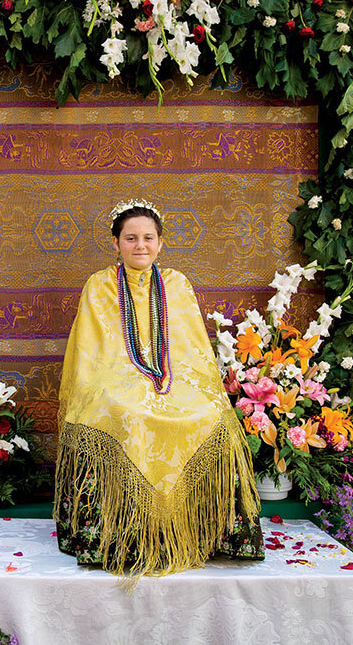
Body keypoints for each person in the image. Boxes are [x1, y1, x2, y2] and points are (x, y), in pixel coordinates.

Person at [53, 199, 264, 579]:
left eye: (148, 238)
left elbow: (193, 348)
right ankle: (124, 538)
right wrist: (134, 382)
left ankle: (204, 534)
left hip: (177, 379)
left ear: (161, 243)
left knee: (211, 412)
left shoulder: (177, 284)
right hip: (115, 381)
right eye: (130, 238)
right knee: (124, 411)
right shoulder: (99, 286)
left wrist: (169, 383)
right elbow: (93, 352)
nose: (140, 246)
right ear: (115, 243)